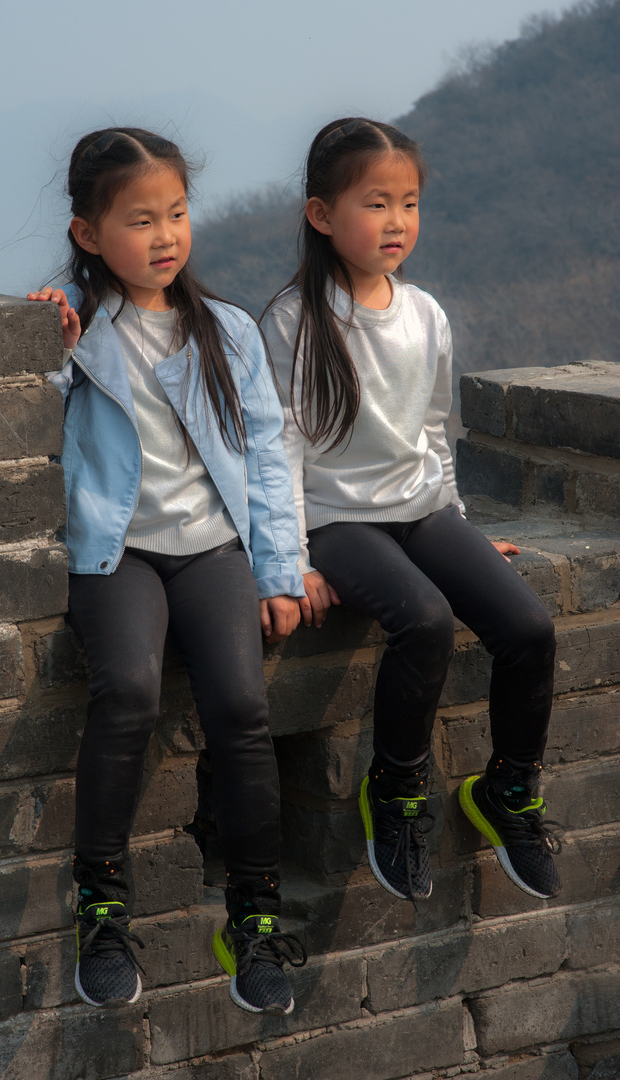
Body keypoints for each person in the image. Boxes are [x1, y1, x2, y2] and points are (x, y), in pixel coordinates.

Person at [28, 127, 306, 1015]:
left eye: (177, 214)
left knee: (241, 704)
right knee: (131, 693)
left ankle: (255, 914)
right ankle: (101, 903)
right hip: (117, 554)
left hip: (212, 549)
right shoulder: (78, 328)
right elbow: (23, 423)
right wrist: (44, 342)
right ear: (87, 234)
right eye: (140, 219)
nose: (164, 236)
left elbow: (269, 453)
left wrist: (280, 569)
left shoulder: (223, 329)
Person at [261, 117, 561, 905]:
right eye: (375, 203)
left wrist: (458, 522)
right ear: (321, 215)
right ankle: (394, 790)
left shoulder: (424, 313)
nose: (395, 222)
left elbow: (432, 430)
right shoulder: (295, 319)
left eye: (409, 203)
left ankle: (508, 788)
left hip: (423, 510)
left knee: (528, 629)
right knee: (422, 620)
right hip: (337, 523)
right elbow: (280, 448)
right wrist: (289, 556)